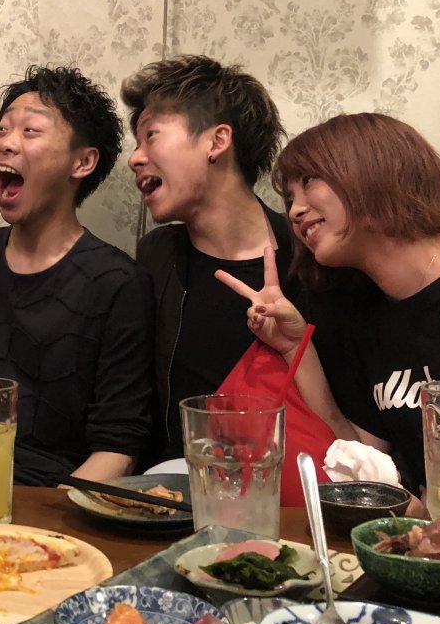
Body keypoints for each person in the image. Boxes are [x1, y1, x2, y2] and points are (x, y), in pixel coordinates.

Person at [220, 112, 440, 525]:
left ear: (371, 167)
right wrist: (294, 347)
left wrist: (439, 526)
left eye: (309, 181)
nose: (296, 210)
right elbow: (362, 454)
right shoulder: (356, 310)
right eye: (289, 198)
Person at [121, 56, 357, 465]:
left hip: (288, 487)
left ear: (216, 141)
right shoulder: (155, 257)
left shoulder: (316, 257)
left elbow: (351, 433)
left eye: (151, 135)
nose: (135, 158)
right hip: (175, 485)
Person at [0, 65, 153, 485]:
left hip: (59, 496)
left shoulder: (117, 282)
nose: (6, 143)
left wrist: (49, 514)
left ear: (83, 162)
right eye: (2, 129)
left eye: (30, 131)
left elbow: (118, 446)